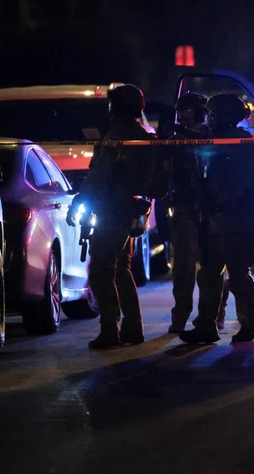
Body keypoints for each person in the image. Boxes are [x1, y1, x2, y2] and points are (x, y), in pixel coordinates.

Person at [179, 93, 254, 344]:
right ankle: (206, 325)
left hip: (236, 219)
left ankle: (249, 324)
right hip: (212, 218)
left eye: (213, 114)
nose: (209, 119)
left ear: (224, 116)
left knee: (238, 275)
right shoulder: (217, 141)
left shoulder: (245, 146)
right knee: (209, 275)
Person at [68, 84, 156, 349]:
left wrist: (80, 200)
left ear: (117, 107)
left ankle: (111, 330)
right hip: (131, 213)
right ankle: (133, 328)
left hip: (114, 212)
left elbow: (98, 177)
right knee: (121, 269)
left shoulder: (118, 138)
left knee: (101, 270)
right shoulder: (143, 136)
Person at [166, 92, 231, 333]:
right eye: (181, 110)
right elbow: (167, 173)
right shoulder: (175, 140)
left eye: (188, 110)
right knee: (183, 267)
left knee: (213, 266)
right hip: (185, 207)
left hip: (211, 209)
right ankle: (180, 318)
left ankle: (214, 315)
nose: (182, 115)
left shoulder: (213, 137)